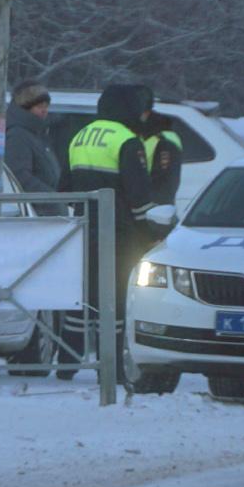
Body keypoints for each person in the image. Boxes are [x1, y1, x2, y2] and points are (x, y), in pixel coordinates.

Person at [59, 83, 157, 381]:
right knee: (113, 298)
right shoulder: (126, 140)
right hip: (118, 232)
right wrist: (149, 231)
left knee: (82, 296)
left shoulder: (81, 136)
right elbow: (138, 195)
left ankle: (66, 362)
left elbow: (64, 187)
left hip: (83, 228)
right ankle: (111, 369)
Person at [4, 81, 61, 197]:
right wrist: (51, 197)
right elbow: (20, 177)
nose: (45, 111)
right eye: (40, 106)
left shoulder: (37, 133)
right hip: (37, 208)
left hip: (46, 206)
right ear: (25, 107)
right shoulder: (18, 136)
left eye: (46, 106)